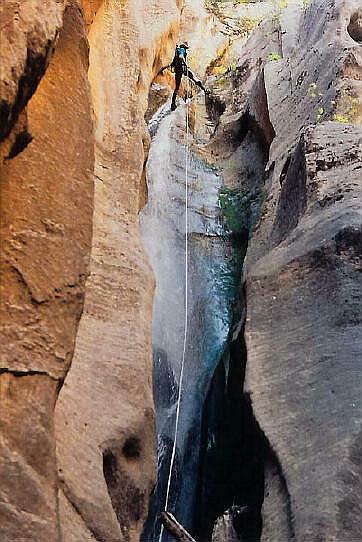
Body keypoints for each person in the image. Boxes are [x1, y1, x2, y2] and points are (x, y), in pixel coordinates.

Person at [159, 42, 206, 111]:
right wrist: (185, 64)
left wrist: (164, 68)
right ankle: (204, 89)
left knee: (177, 87)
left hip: (178, 71)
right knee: (194, 78)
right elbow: (181, 57)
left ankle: (173, 104)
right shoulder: (182, 50)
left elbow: (172, 63)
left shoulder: (176, 52)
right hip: (183, 69)